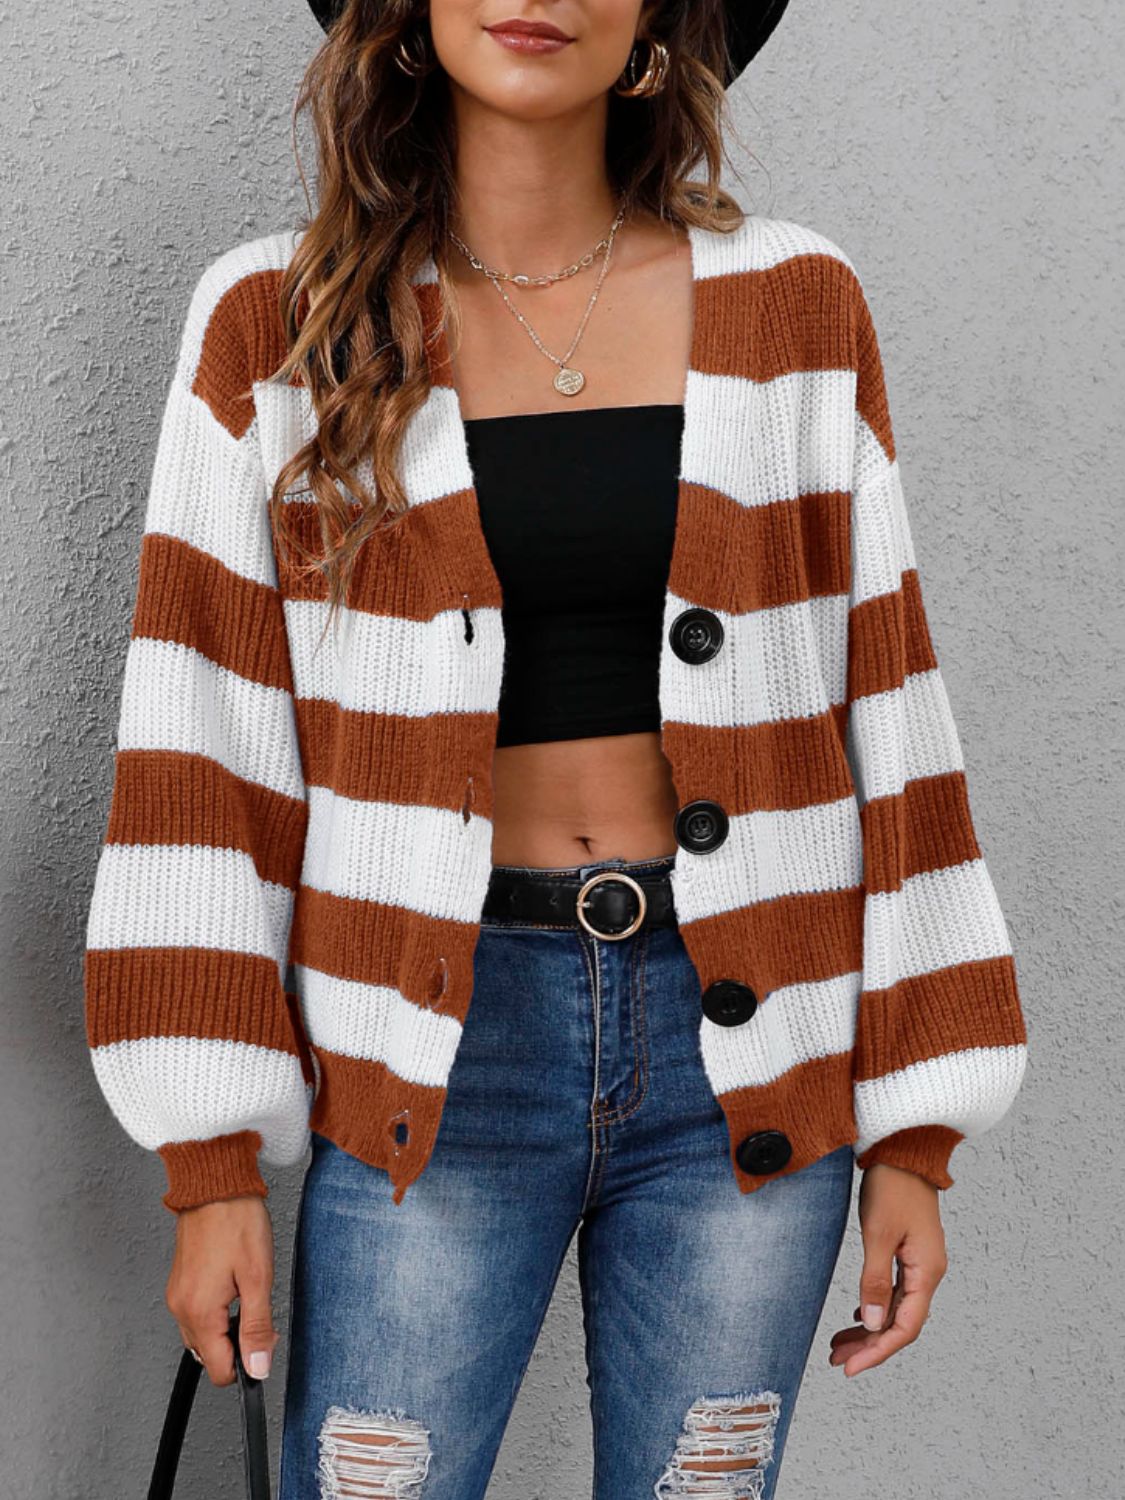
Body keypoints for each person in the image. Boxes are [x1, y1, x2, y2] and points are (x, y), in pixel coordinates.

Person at [83, 1, 1029, 1495]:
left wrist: (915, 1126)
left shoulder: (796, 303)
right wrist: (211, 1167)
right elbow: (201, 741)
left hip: (745, 1060)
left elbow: (891, 704)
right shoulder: (278, 319)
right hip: (429, 1051)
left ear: (656, 22)